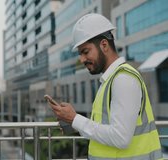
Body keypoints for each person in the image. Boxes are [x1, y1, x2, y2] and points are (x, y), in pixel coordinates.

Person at [47, 13, 163, 159]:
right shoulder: (109, 81)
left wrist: (75, 119)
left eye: (85, 51)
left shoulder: (123, 79)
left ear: (104, 45)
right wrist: (72, 121)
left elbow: (121, 138)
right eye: (80, 54)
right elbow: (103, 131)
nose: (82, 59)